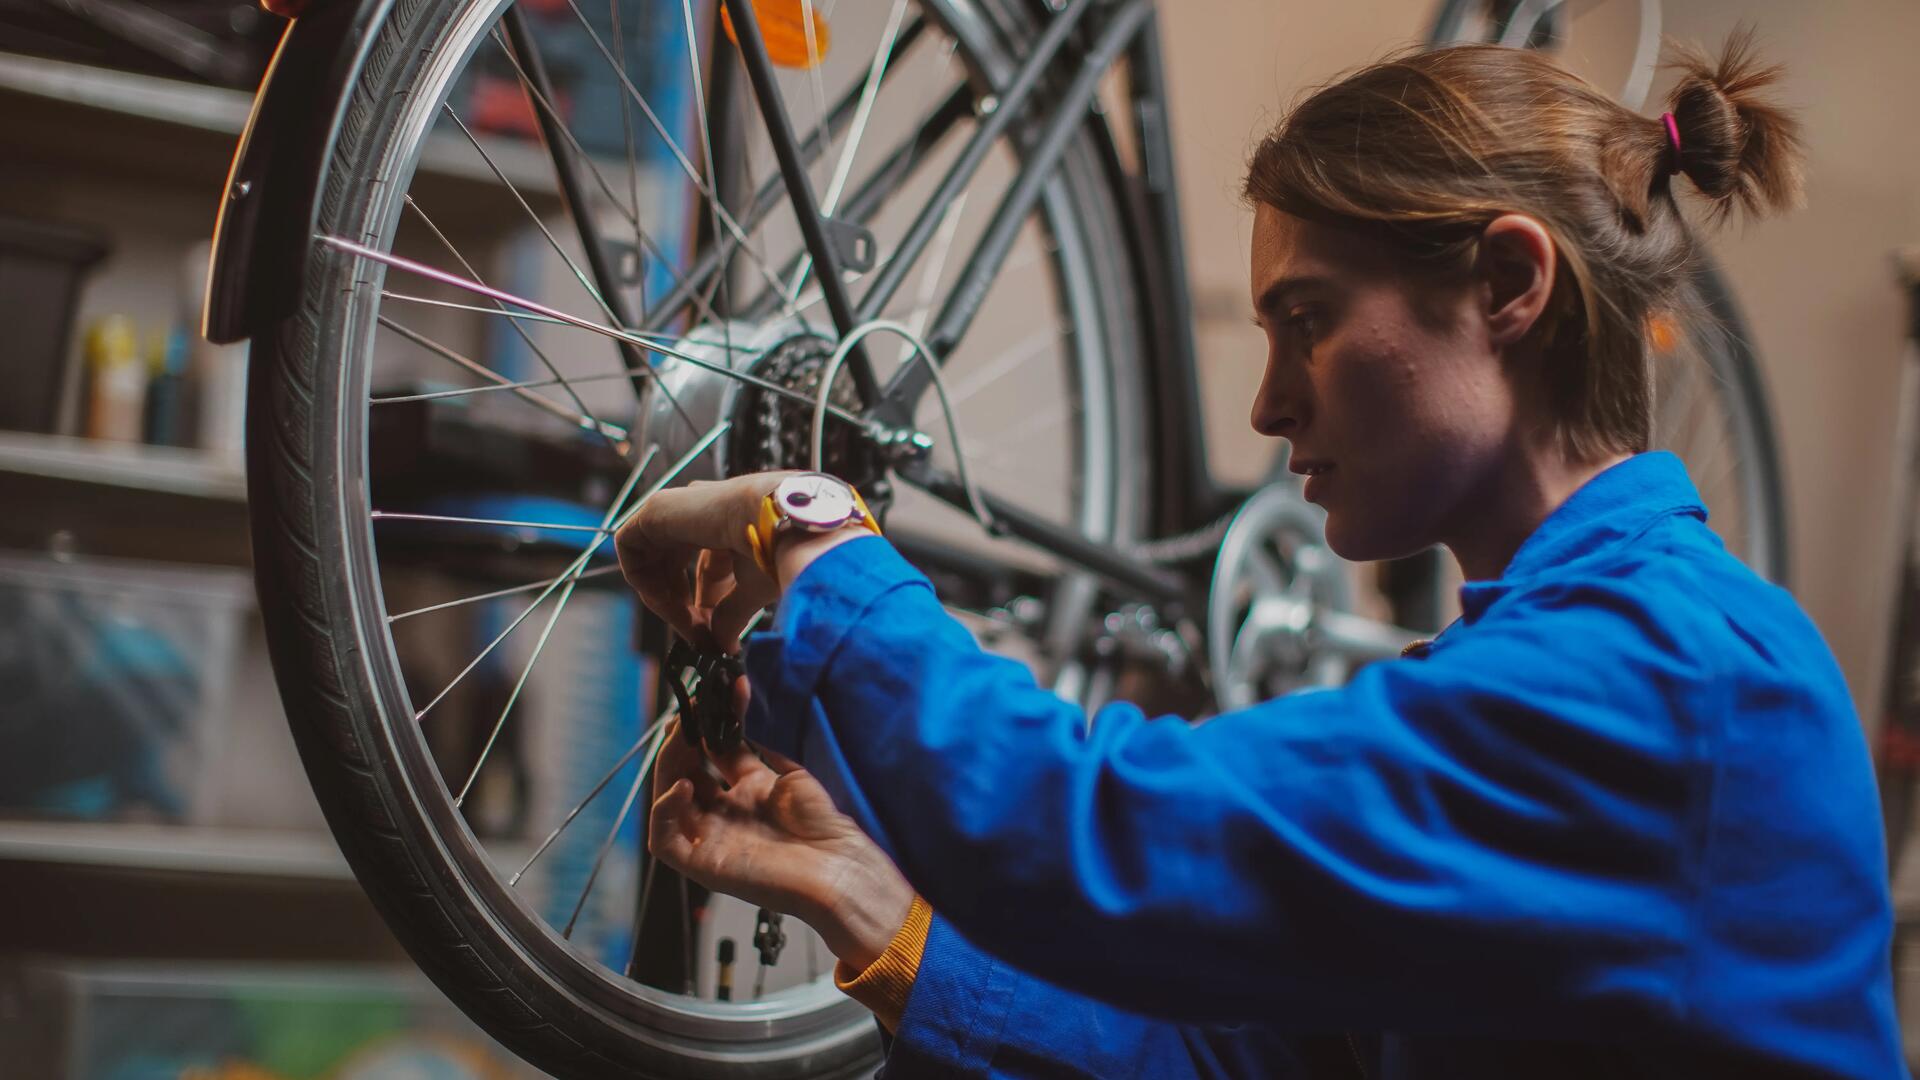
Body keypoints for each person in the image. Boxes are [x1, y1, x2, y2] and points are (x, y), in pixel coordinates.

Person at [616, 30, 1905, 1079]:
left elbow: (1105, 832)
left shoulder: (1666, 679)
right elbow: (1248, 1064)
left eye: (1308, 320)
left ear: (1510, 283)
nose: (1268, 403)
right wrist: (873, 913)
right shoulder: (1545, 662)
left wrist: (813, 535)